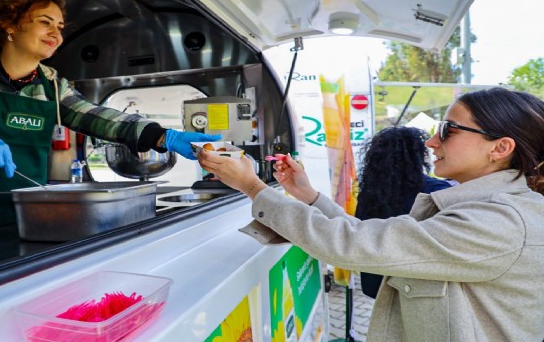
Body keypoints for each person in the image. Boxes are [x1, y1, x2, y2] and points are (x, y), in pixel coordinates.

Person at [198, 87, 544, 341]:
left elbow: (356, 245)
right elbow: (371, 238)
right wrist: (307, 194)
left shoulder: (500, 221)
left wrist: (253, 187)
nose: (431, 143)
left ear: (500, 148)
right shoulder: (486, 207)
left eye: (447, 130)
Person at [0, 0, 220, 242]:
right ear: (9, 24)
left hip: (20, 218)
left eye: (60, 27)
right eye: (44, 22)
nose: (56, 34)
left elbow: (96, 116)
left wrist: (161, 135)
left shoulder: (52, 86)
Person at [355, 126, 452, 298]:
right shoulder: (436, 190)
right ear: (418, 156)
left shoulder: (369, 191)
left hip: (375, 278)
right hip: (415, 285)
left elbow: (360, 228)